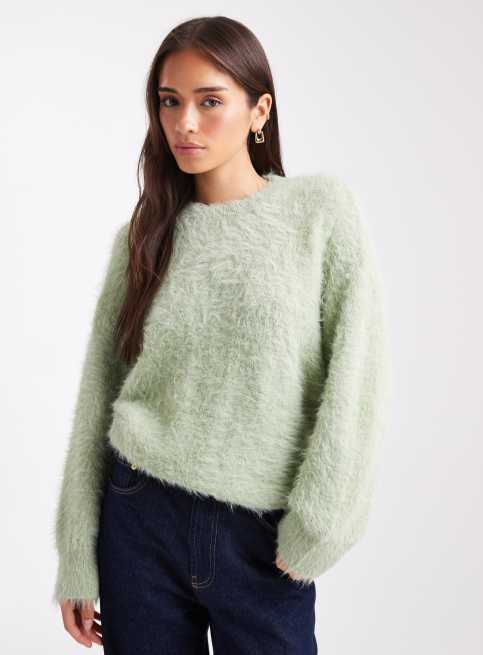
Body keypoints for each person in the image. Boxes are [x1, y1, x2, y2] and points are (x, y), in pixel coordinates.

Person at [52, 15, 391, 654]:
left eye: (210, 101)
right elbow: (100, 389)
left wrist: (322, 522)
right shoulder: (143, 238)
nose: (185, 123)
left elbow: (357, 373)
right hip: (139, 517)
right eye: (169, 102)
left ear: (259, 110)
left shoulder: (319, 214)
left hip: (261, 535)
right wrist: (76, 553)